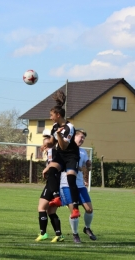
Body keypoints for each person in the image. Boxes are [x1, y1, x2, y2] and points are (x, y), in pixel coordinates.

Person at [41, 90, 80, 219]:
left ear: (58, 115)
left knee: (70, 179)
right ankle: (57, 198)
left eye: (51, 115)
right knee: (51, 171)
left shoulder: (69, 127)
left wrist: (58, 134)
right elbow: (53, 143)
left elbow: (64, 145)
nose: (50, 117)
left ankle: (75, 209)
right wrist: (47, 145)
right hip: (60, 155)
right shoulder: (54, 126)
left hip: (71, 156)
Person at [60, 129, 97, 243]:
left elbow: (88, 168)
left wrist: (89, 166)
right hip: (66, 185)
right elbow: (61, 166)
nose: (82, 140)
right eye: (81, 137)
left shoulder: (83, 152)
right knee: (75, 211)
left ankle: (87, 228)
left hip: (80, 185)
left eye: (84, 138)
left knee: (89, 209)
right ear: (73, 137)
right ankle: (75, 234)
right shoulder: (65, 150)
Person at [35, 136, 64, 242]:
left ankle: (43, 233)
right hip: (58, 183)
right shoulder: (55, 151)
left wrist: (45, 169)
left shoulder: (52, 151)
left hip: (52, 184)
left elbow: (53, 166)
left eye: (44, 144)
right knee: (51, 211)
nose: (43, 146)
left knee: (41, 208)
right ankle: (59, 235)